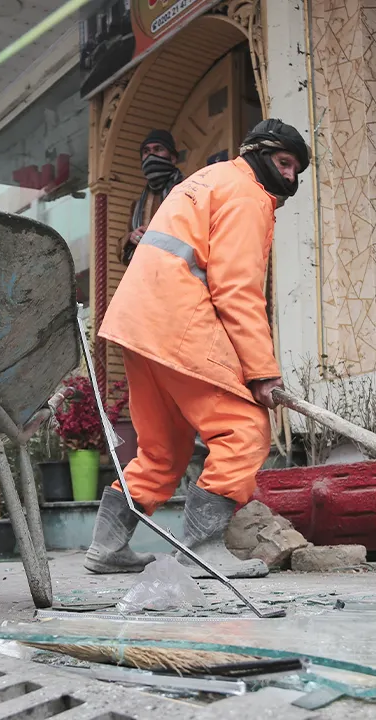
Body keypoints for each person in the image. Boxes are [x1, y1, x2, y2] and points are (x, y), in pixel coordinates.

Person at [85, 119, 310, 579]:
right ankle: (202, 550)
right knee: (244, 429)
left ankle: (106, 547)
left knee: (160, 452)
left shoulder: (206, 179)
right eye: (284, 162)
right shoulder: (247, 194)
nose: (289, 176)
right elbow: (237, 290)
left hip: (137, 323)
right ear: (257, 152)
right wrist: (261, 372)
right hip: (177, 320)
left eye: (296, 170)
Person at [121, 129, 184, 264]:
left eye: (158, 149)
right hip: (145, 273)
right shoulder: (137, 205)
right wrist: (131, 238)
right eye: (146, 151)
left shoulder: (188, 193)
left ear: (173, 158)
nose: (151, 156)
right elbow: (121, 248)